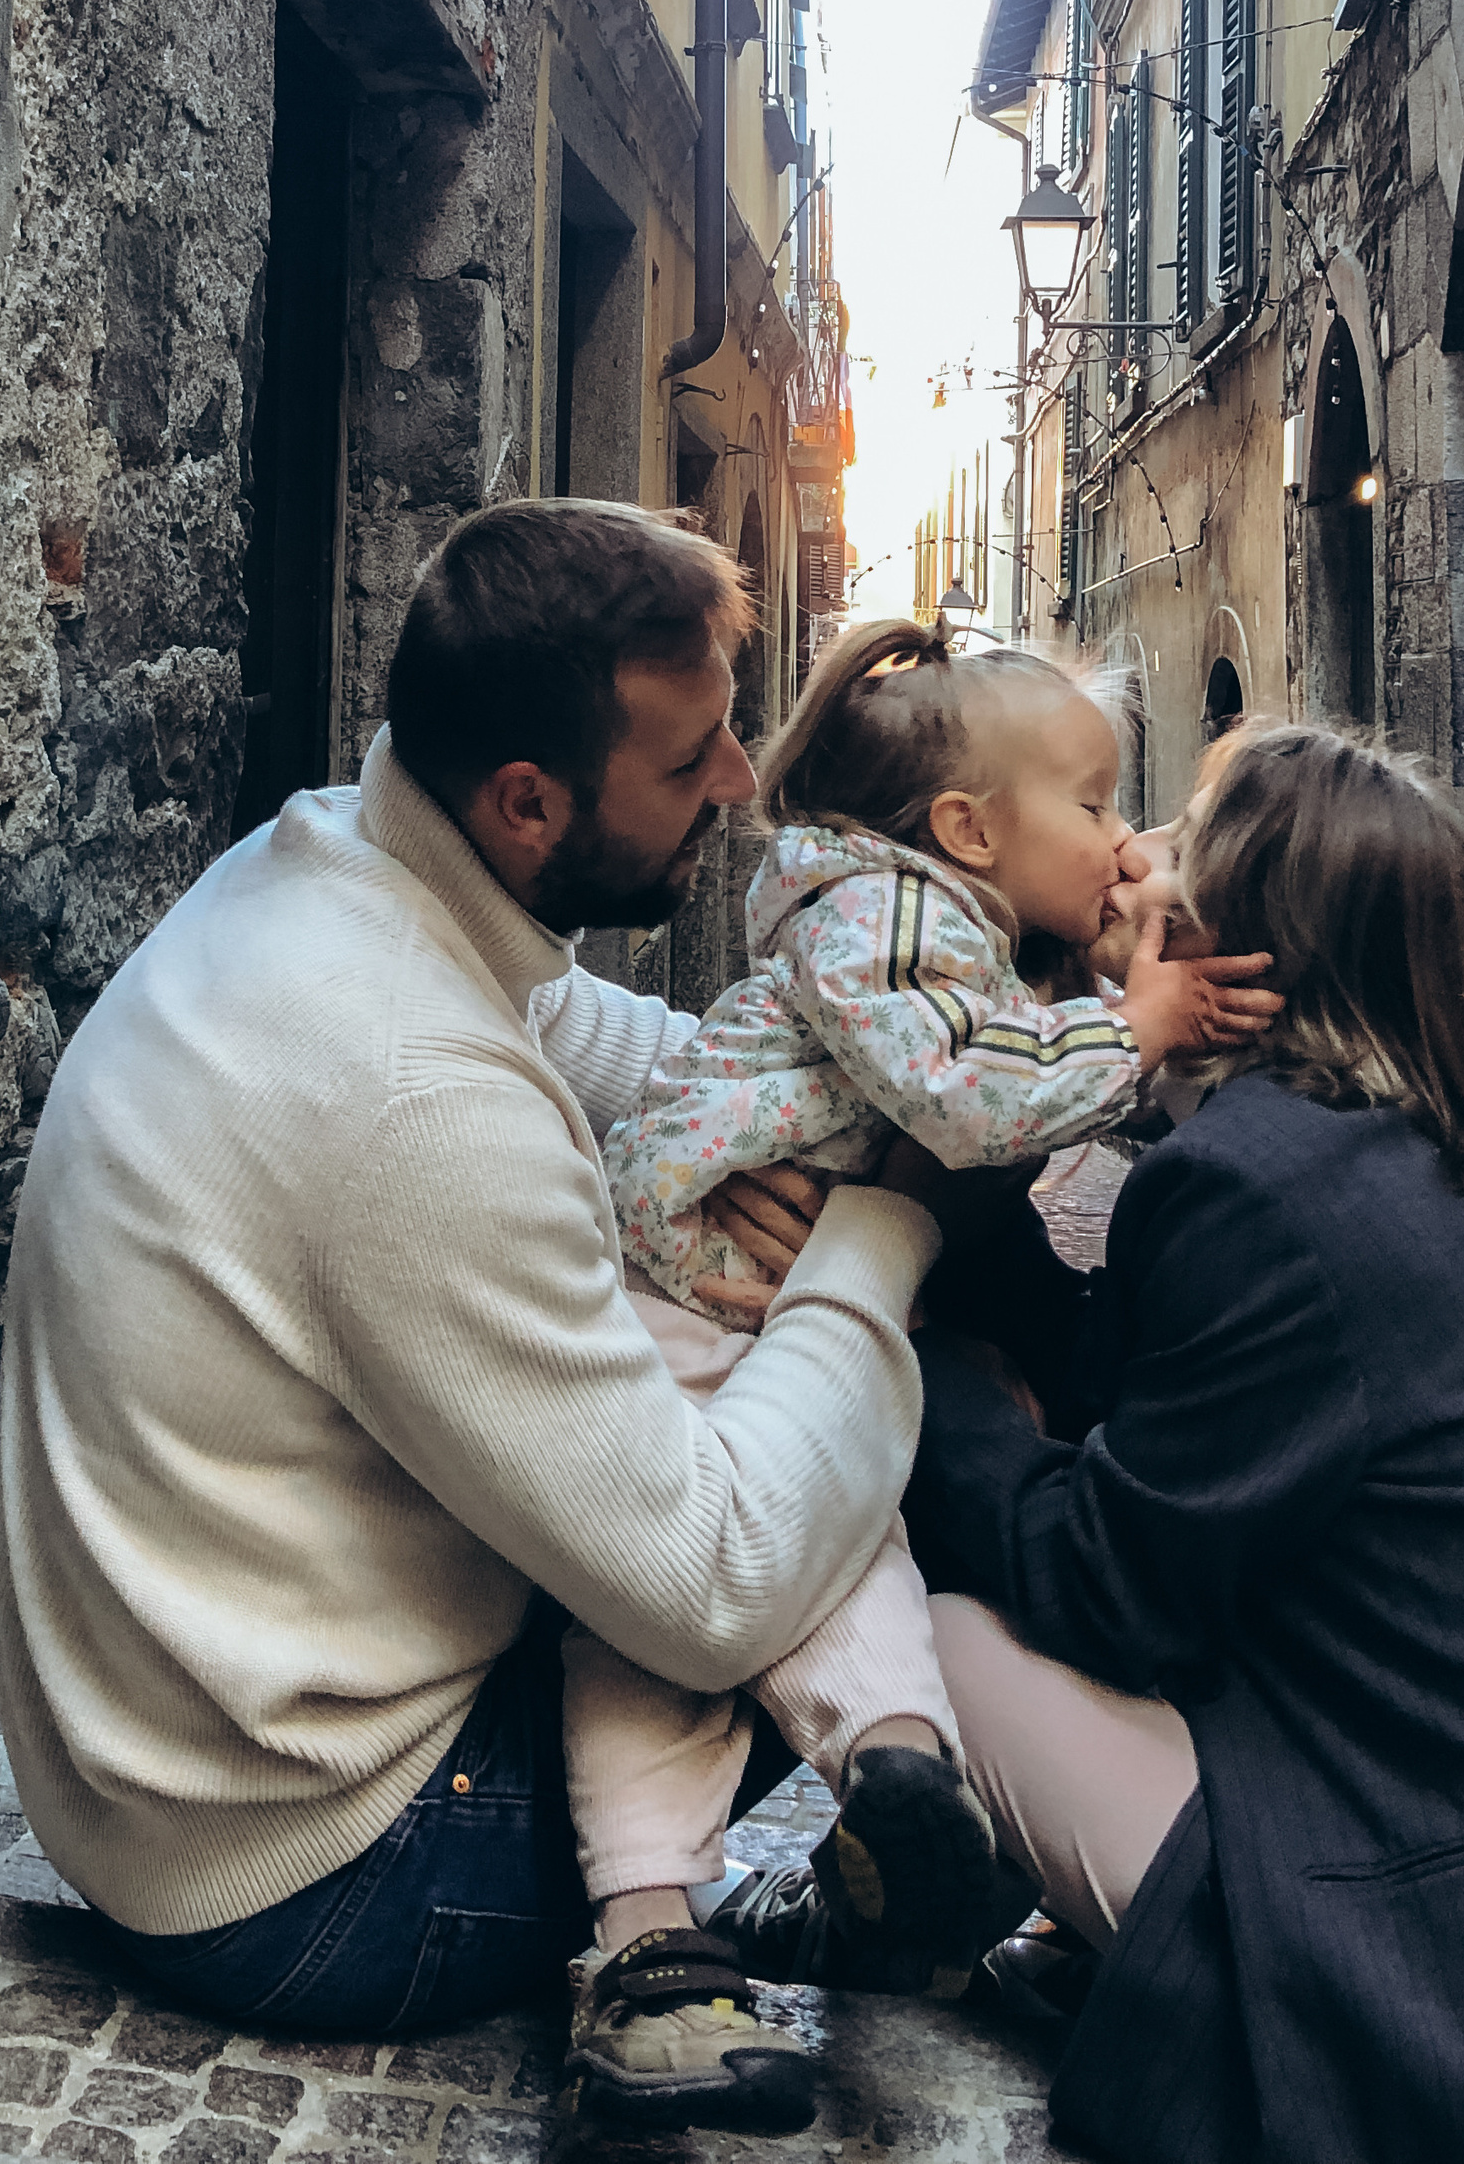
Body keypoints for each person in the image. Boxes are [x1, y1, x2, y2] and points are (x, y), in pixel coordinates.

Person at [0, 502, 950, 2130]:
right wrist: (890, 1221)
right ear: (527, 802)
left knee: (812, 1392)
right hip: (312, 1871)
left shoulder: (345, 860)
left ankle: (863, 1858)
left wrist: (805, 1105)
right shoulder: (415, 1095)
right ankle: (929, 1862)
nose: (738, 781)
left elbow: (602, 1041)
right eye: (690, 758)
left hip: (149, 1778)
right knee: (903, 1443)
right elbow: (712, 1584)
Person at [886, 722, 1464, 2164]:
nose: (1129, 850)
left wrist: (893, 1354)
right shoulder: (1341, 1163)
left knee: (943, 1634)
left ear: (1246, 950)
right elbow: (1144, 1409)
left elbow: (1099, 1574)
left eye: (1178, 837)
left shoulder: (1257, 1188)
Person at [560, 618, 1276, 2082]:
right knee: (666, 1592)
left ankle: (899, 1763)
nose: (1123, 841)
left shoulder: (944, 931)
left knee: (843, 1522)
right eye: (1096, 804)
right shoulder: (887, 922)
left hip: (777, 1292)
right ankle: (649, 1904)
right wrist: (1138, 1027)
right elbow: (966, 1096)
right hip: (692, 1289)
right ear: (969, 830)